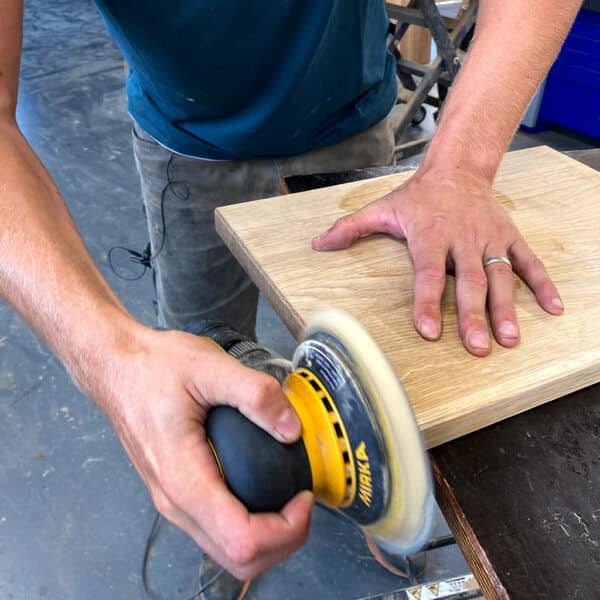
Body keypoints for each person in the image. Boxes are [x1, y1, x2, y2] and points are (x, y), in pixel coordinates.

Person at [0, 1, 579, 598]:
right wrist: (111, 356)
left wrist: (459, 170)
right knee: (202, 361)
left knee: (387, 347)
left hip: (348, 123)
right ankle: (224, 537)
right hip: (187, 142)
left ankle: (371, 492)